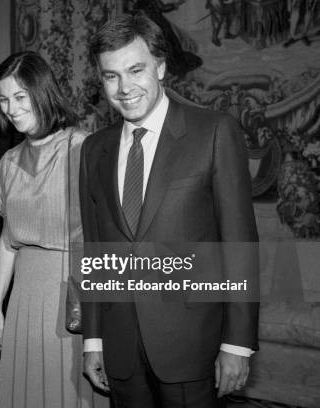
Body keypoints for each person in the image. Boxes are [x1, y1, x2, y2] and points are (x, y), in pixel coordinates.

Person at [79, 13, 259, 408]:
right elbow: (95, 254)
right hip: (121, 346)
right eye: (111, 76)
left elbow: (239, 245)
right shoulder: (94, 149)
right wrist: (93, 339)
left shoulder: (214, 132)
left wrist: (238, 343)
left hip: (191, 345)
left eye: (136, 70)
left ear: (160, 67)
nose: (124, 88)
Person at [0, 51, 108, 408]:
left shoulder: (84, 148)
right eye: (4, 99)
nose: (10, 108)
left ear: (42, 92)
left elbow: (106, 239)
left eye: (20, 97)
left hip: (73, 294)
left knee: (68, 394)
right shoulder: (9, 162)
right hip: (24, 295)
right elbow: (8, 243)